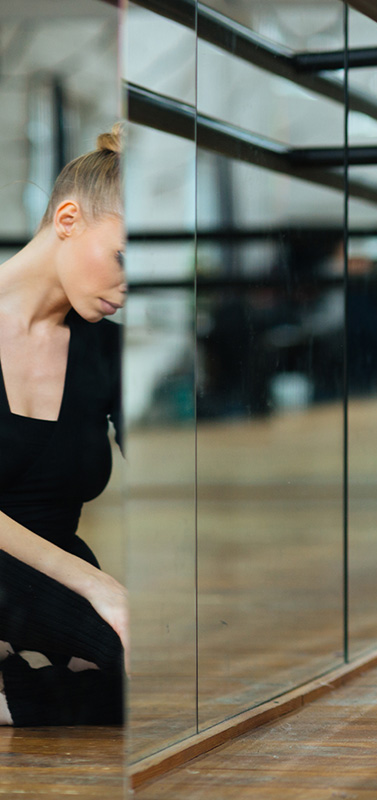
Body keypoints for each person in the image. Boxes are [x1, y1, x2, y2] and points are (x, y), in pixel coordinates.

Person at [0, 126, 127, 726]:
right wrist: (99, 588)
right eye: (123, 259)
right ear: (69, 218)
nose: (126, 289)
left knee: (151, 682)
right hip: (46, 575)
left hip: (48, 580)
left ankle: (11, 690)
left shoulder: (105, 348)